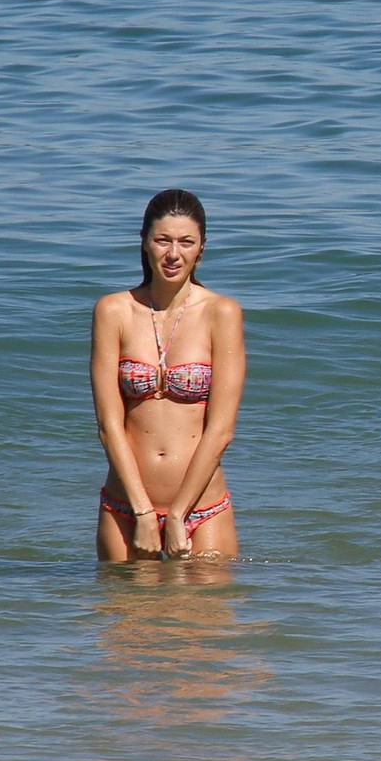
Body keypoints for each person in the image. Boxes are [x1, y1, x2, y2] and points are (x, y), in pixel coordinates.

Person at [91, 189, 245, 561]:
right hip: (125, 508)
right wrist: (143, 512)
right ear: (144, 243)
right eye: (163, 240)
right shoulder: (114, 311)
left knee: (205, 617)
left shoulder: (221, 313)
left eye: (185, 242)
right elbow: (109, 427)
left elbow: (221, 430)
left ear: (201, 248)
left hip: (201, 510)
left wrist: (177, 514)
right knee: (126, 618)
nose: (173, 254)